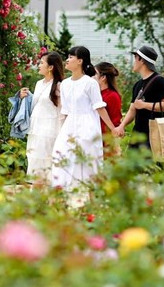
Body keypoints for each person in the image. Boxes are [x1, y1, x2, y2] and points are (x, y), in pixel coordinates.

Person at [51, 46, 118, 191]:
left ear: (80, 61)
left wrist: (113, 128)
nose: (67, 60)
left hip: (88, 126)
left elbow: (99, 107)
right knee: (61, 156)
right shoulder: (65, 84)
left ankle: (92, 197)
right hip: (69, 126)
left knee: (87, 162)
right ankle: (62, 194)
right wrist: (62, 131)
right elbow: (65, 111)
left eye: (71, 57)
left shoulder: (90, 83)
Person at [113, 46, 164, 151]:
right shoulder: (138, 84)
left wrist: (144, 105)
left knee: (149, 161)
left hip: (154, 133)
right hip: (138, 133)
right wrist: (122, 126)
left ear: (142, 60)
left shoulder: (159, 81)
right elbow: (132, 109)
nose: (134, 62)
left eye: (135, 58)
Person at [19, 52, 65, 184]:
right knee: (34, 158)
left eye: (41, 63)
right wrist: (25, 96)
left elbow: (63, 110)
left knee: (48, 161)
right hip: (36, 128)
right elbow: (36, 104)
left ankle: (49, 191)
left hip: (50, 129)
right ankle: (37, 190)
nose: (39, 65)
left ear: (50, 67)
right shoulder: (39, 83)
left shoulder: (59, 85)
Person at [96, 62, 123, 158]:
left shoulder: (112, 96)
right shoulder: (96, 94)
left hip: (106, 138)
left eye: (95, 74)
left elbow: (116, 119)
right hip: (96, 136)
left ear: (103, 77)